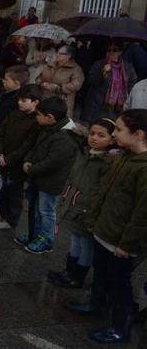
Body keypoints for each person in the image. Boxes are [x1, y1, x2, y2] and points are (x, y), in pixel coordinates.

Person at [67, 110, 147, 344]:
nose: (115, 134)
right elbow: (105, 192)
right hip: (104, 230)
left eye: (119, 130)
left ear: (139, 134)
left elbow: (142, 213)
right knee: (101, 273)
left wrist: (127, 243)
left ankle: (120, 327)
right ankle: (96, 304)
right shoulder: (123, 155)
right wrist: (94, 219)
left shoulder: (143, 167)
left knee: (119, 284)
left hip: (120, 240)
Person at [50, 118, 114, 289]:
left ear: (112, 139)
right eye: (92, 133)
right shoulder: (85, 153)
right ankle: (68, 271)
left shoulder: (107, 162)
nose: (94, 138)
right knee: (74, 239)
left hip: (88, 209)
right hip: (74, 203)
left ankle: (78, 277)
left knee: (86, 245)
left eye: (101, 135)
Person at [20, 96, 80, 254]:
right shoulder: (49, 128)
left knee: (47, 211)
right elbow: (36, 148)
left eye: (38, 114)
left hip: (52, 182)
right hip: (40, 177)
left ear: (50, 117)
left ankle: (46, 240)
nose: (36, 117)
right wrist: (28, 160)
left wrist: (31, 169)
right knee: (37, 209)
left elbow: (52, 162)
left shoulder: (65, 137)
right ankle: (35, 235)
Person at [0, 84, 41, 231]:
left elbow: (27, 146)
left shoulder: (35, 122)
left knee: (14, 192)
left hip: (16, 164)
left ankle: (11, 219)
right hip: (2, 158)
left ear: (35, 102)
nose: (19, 103)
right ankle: (0, 213)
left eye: (24, 100)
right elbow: (0, 133)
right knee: (2, 188)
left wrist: (8, 159)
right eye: (19, 100)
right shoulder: (13, 114)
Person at [82, 42, 137, 123]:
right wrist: (103, 73)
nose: (111, 52)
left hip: (115, 108)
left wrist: (123, 92)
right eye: (108, 50)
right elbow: (91, 81)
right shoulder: (99, 64)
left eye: (114, 50)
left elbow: (133, 81)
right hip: (97, 105)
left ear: (120, 52)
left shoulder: (127, 66)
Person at [38, 45, 85, 118]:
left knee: (58, 123)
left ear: (68, 56)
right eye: (57, 52)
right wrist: (42, 83)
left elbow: (75, 86)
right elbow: (39, 77)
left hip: (62, 103)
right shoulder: (50, 65)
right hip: (46, 99)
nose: (57, 54)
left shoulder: (76, 69)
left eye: (60, 53)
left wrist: (58, 87)